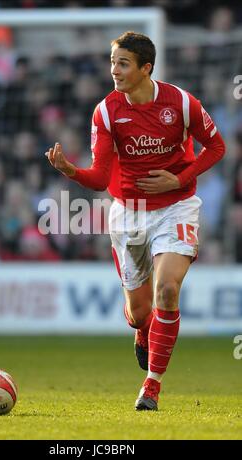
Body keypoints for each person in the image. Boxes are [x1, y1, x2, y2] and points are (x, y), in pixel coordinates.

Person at [45, 31, 225, 411]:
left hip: (176, 206)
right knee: (140, 313)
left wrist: (179, 178)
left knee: (168, 292)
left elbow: (216, 146)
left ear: (146, 68)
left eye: (123, 63)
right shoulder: (107, 111)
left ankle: (151, 387)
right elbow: (99, 177)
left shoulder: (181, 103)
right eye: (112, 62)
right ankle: (143, 331)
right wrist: (70, 171)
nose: (115, 70)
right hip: (128, 215)